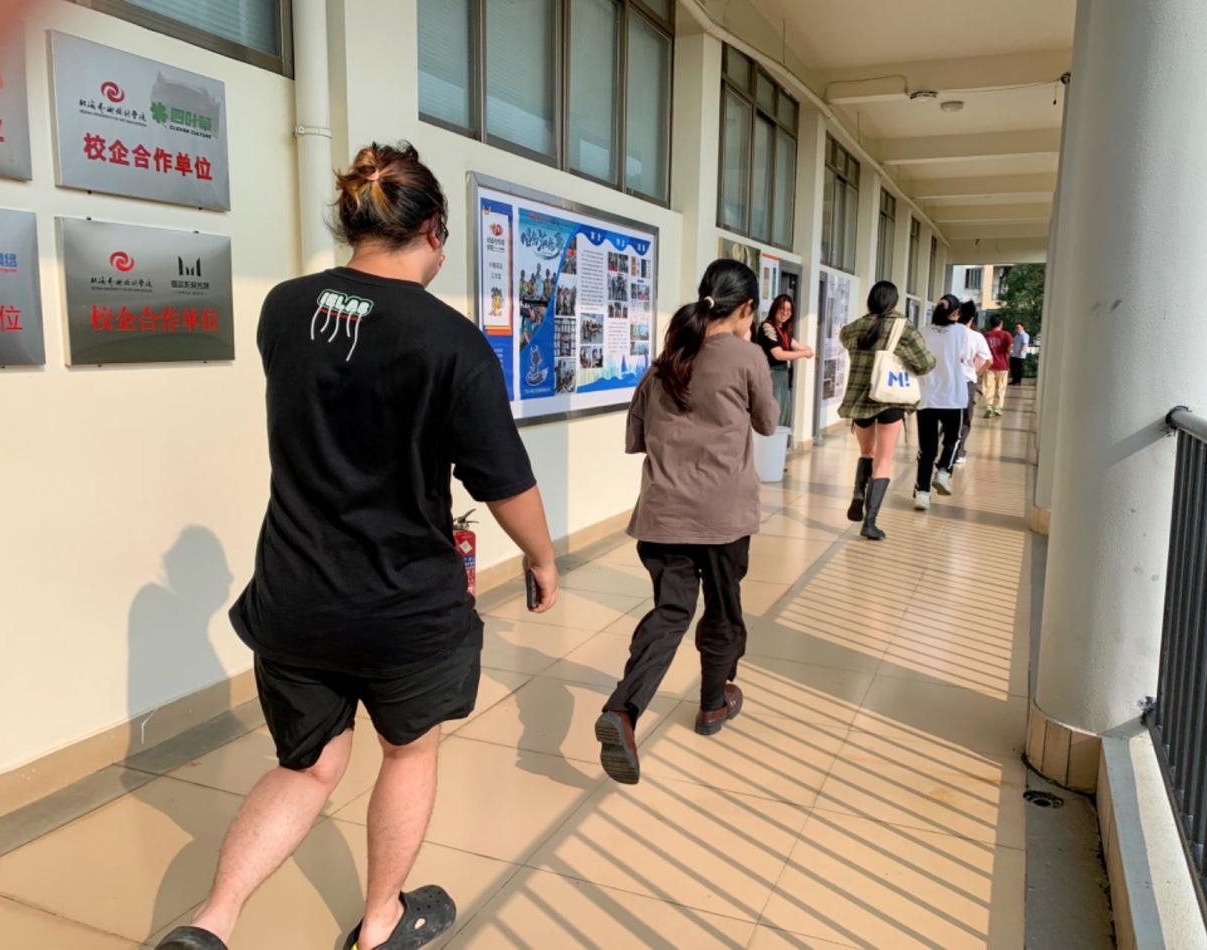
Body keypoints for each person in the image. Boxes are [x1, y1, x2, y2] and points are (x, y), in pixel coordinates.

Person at [155, 143, 559, 950]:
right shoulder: (451, 342)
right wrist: (543, 559)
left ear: (354, 220)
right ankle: (381, 924)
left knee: (307, 766)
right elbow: (502, 480)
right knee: (406, 755)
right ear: (433, 229)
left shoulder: (282, 308)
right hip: (402, 604)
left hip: (294, 593)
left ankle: (209, 924)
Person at [596, 259, 778, 785]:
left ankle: (622, 710)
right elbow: (768, 422)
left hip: (662, 515)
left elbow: (636, 438)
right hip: (723, 517)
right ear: (746, 308)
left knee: (670, 613)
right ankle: (713, 702)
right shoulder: (747, 356)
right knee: (723, 609)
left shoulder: (667, 358)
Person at [839, 281, 936, 541]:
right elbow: (926, 363)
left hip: (860, 400)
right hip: (889, 400)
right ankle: (869, 523)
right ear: (893, 302)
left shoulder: (856, 327)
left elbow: (844, 338)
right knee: (883, 461)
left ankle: (859, 493)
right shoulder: (904, 328)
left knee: (866, 452)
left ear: (870, 301)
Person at [914, 296, 973, 510]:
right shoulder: (961, 332)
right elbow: (965, 357)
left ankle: (922, 494)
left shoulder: (922, 331)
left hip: (927, 395)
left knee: (926, 449)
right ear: (955, 313)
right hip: (952, 396)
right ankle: (943, 471)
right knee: (953, 438)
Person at [755, 293, 813, 427]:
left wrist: (807, 349)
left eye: (789, 310)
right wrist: (803, 353)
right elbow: (779, 354)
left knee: (783, 413)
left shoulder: (783, 329)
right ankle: (772, 439)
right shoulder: (767, 327)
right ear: (775, 308)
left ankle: (780, 440)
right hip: (771, 375)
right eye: (782, 309)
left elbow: (794, 343)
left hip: (783, 376)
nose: (785, 313)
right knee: (774, 414)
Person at [955, 300, 992, 466]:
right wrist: (977, 373)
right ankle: (959, 451)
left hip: (947, 382)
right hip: (967, 381)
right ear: (971, 318)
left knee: (948, 415)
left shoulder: (948, 332)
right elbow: (989, 360)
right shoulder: (976, 336)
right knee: (965, 417)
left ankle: (948, 447)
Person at [982, 315, 1014, 417]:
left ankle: (989, 406)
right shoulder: (1006, 334)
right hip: (1003, 366)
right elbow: (1010, 348)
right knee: (1001, 388)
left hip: (989, 365)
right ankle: (998, 408)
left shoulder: (986, 335)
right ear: (1000, 323)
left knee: (988, 387)